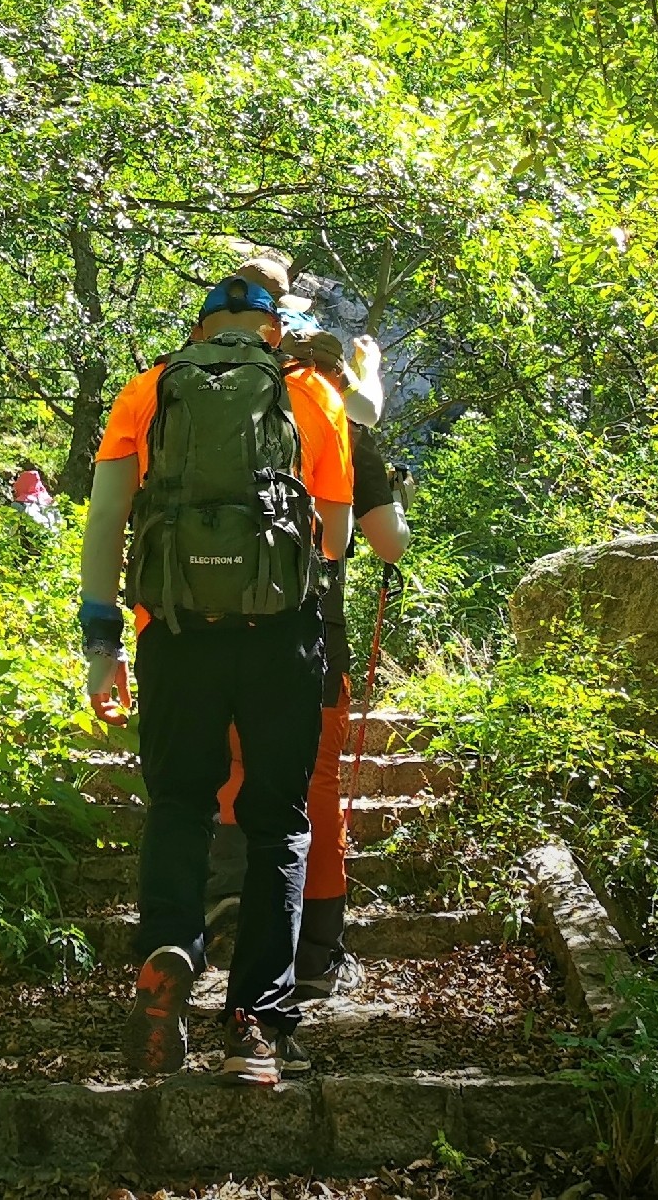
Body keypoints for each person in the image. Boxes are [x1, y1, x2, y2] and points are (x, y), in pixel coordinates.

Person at [78, 273, 354, 1087]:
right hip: (281, 641)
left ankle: (170, 946)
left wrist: (103, 646)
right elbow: (334, 538)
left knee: (179, 804)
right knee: (278, 825)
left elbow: (104, 522)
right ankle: (256, 1026)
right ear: (273, 332)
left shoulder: (149, 389)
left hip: (175, 634)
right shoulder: (311, 395)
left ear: (199, 331)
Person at [212, 326, 409, 1000]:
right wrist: (394, 497)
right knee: (315, 784)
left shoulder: (225, 417)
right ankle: (319, 955)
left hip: (219, 627)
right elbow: (388, 545)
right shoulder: (346, 429)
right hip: (309, 633)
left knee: (237, 767)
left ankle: (227, 915)